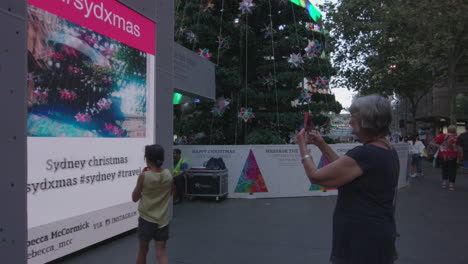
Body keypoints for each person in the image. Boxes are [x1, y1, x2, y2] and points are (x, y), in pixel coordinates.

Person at [296, 94, 399, 264]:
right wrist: (321, 144)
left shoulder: (365, 153)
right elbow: (344, 170)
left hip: (362, 237)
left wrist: (302, 146)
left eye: (354, 117)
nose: (350, 122)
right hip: (377, 233)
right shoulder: (386, 150)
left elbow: (316, 177)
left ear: (367, 122)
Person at [132, 144, 172, 264]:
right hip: (163, 220)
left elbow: (134, 197)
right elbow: (170, 193)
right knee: (161, 252)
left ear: (148, 159)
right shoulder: (168, 174)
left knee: (143, 251)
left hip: (146, 220)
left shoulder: (144, 176)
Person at [432, 125, 459, 190]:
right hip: (453, 156)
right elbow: (459, 147)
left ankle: (444, 183)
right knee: (452, 170)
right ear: (455, 130)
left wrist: (440, 146)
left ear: (448, 129)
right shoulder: (457, 137)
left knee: (444, 169)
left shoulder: (442, 136)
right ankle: (451, 185)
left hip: (443, 155)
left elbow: (432, 143)